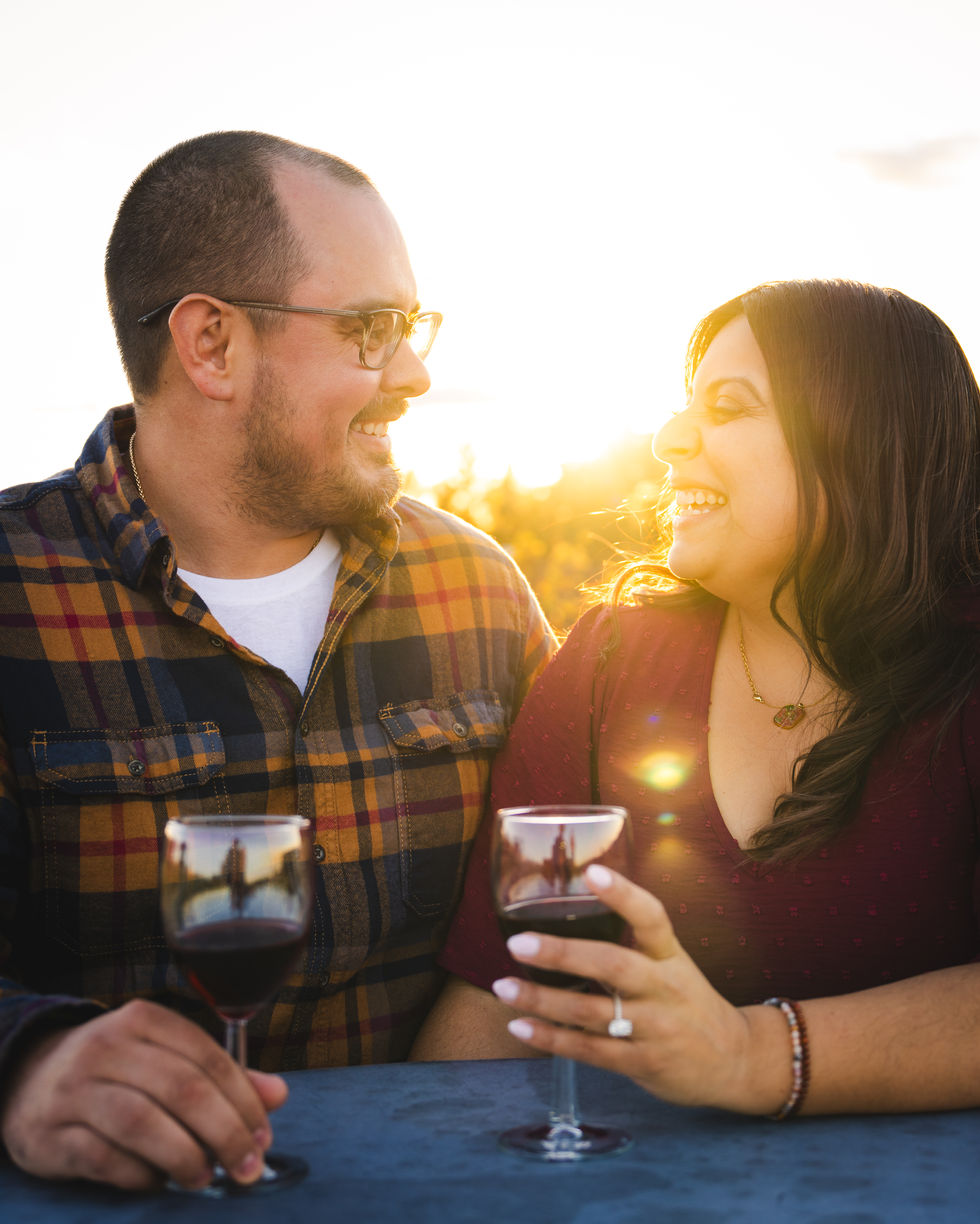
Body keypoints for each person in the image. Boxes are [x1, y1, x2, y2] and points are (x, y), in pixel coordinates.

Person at [0, 131, 554, 1191]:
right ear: (209, 345)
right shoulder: (13, 596)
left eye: (411, 326)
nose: (416, 372)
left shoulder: (476, 592)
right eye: (371, 329)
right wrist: (27, 1061)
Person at [412, 279, 980, 1120]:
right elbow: (503, 986)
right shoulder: (609, 660)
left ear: (863, 441)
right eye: (685, 406)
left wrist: (753, 1055)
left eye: (730, 405)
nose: (670, 438)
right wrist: (418, 1173)